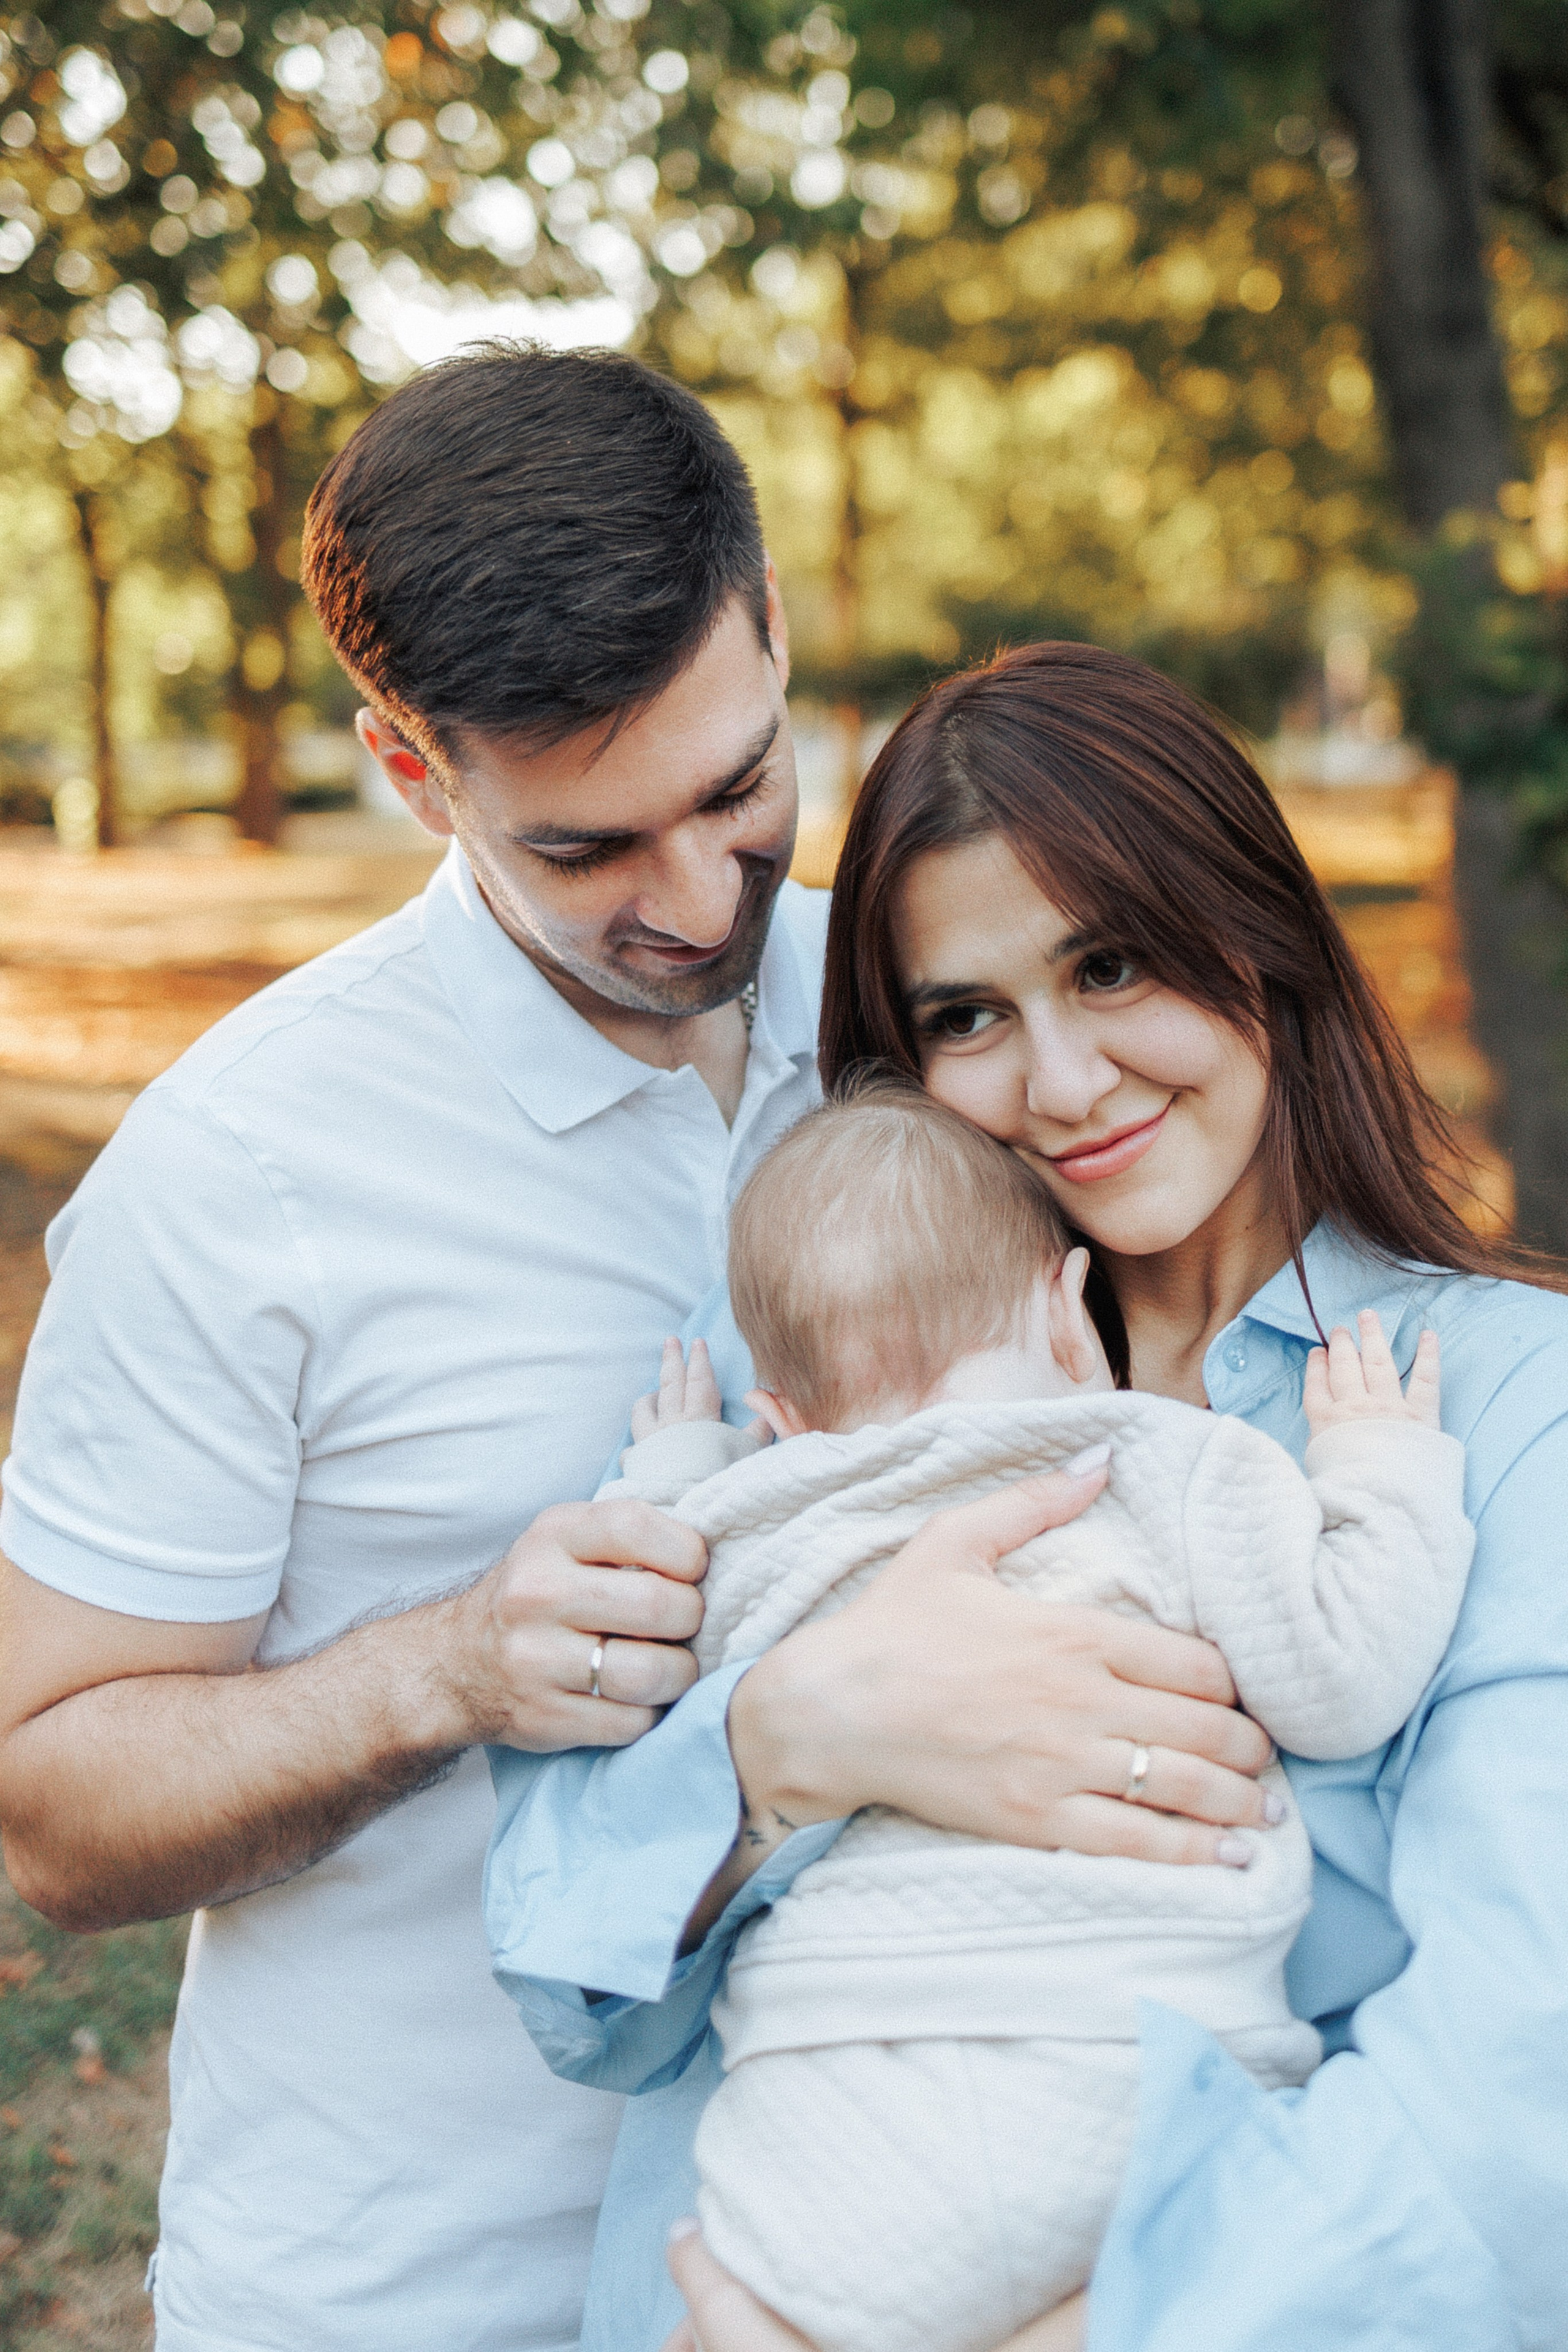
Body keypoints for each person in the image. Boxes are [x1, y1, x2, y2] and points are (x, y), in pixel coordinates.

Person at [0, 356, 1252, 2352]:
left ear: (774, 633)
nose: (696, 900)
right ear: (416, 774)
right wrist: (448, 1666)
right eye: (587, 849)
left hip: (934, 2262)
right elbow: (48, 1806)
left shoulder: (920, 1011)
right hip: (415, 2293)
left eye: (739, 787)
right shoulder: (238, 1176)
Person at [483, 641, 1568, 2352]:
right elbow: (570, 1980)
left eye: (1114, 965)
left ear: (1263, 938)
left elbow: (1520, 2112)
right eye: (969, 1017)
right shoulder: (810, 1361)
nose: (1061, 1089)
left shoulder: (1499, 1412)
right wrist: (790, 1743)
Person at [594, 1085, 1469, 2352]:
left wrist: (676, 1463)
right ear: (1070, 1314)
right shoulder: (1162, 1460)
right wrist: (1377, 1466)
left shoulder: (753, 1524)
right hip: (1135, 2089)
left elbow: (655, 1608)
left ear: (777, 1418)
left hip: (826, 2157)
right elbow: (1341, 1681)